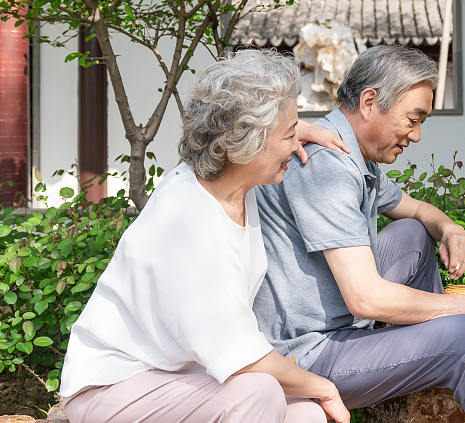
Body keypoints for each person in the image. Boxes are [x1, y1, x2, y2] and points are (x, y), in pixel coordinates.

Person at [253, 44, 465, 423]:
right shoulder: (326, 164)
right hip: (305, 353)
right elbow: (365, 299)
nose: (418, 135)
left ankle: (436, 358)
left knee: (412, 233)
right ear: (370, 102)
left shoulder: (352, 151)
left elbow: (419, 210)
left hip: (337, 322)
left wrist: (450, 228)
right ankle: (453, 354)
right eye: (413, 118)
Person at [60, 50, 350, 423]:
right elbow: (243, 357)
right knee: (259, 390)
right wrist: (324, 385)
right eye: (289, 135)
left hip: (180, 379)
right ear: (249, 142)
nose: (297, 146)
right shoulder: (187, 216)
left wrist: (294, 130)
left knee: (305, 415)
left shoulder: (235, 185)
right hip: (114, 386)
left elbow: (232, 128)